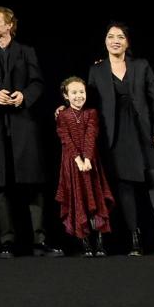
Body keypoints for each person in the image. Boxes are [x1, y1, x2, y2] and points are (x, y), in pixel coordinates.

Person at [0, 6, 62, 259]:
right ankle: (6, 242)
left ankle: (39, 240)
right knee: (0, 186)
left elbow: (38, 82)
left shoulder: (26, 51)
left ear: (10, 25)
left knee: (33, 183)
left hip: (24, 125)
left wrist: (24, 96)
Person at [87, 23, 154, 257]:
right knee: (125, 186)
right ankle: (134, 240)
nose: (115, 40)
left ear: (128, 42)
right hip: (116, 134)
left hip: (145, 131)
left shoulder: (141, 65)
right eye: (110, 36)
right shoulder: (96, 70)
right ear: (105, 41)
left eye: (120, 36)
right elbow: (88, 105)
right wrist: (64, 109)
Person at [55, 76, 113, 257]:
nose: (79, 96)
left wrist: (87, 159)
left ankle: (100, 243)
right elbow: (66, 139)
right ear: (66, 95)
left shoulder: (91, 113)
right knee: (77, 199)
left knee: (95, 198)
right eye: (74, 93)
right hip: (72, 165)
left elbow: (91, 135)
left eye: (81, 92)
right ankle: (86, 243)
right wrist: (78, 160)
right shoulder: (62, 116)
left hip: (91, 163)